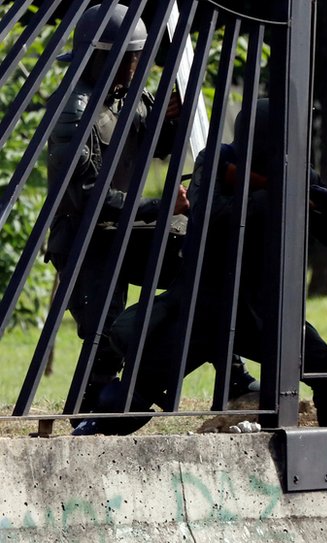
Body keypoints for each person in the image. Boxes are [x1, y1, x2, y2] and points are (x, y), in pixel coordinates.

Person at [77, 98, 327, 435]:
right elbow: (209, 215)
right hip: (201, 308)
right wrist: (273, 198)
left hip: (261, 313)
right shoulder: (218, 161)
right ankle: (87, 442)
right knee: (129, 398)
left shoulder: (297, 176)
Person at [47, 4, 257, 421]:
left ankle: (231, 376)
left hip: (126, 226)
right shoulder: (75, 109)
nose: (137, 64)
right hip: (85, 240)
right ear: (103, 55)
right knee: (101, 338)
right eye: (130, 56)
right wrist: (160, 207)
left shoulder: (127, 96)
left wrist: (173, 120)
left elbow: (154, 144)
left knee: (198, 259)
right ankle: (94, 408)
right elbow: (85, 198)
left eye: (139, 55)